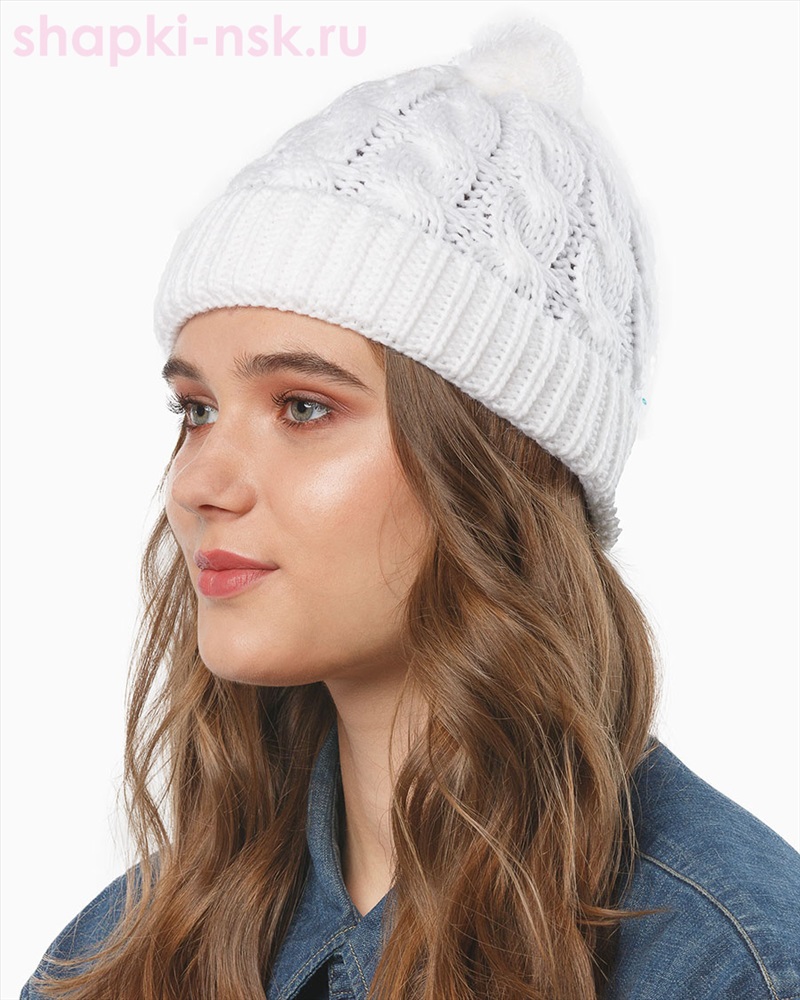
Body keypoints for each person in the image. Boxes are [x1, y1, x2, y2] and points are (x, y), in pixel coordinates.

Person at [22, 19, 800, 1000]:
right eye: (197, 409)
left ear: (497, 460)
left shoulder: (727, 963)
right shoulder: (121, 951)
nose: (196, 484)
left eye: (303, 408)